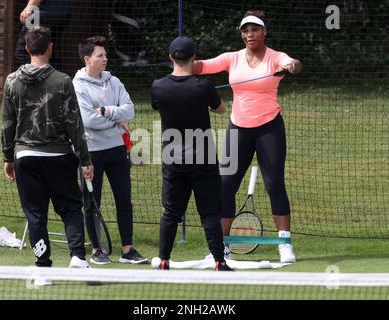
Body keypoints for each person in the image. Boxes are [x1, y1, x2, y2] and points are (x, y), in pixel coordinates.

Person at [193, 10, 302, 263]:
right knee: (225, 185)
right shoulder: (233, 58)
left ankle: (285, 243)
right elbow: (203, 66)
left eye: (254, 29)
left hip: (269, 127)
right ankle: (221, 248)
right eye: (245, 30)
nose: (249, 34)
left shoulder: (276, 57)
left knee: (274, 183)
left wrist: (291, 66)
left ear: (264, 32)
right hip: (238, 128)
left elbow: (295, 64)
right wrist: (183, 63)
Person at [1, 27, 94, 274]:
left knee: (35, 214)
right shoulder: (62, 81)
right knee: (71, 208)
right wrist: (85, 159)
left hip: (25, 157)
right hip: (59, 156)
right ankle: (77, 257)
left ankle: (42, 268)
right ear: (51, 47)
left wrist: (8, 157)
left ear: (27, 49)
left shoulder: (11, 81)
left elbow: (7, 123)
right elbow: (75, 124)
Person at [151, 36, 233, 271]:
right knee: (209, 213)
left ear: (170, 57)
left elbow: (159, 105)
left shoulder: (158, 86)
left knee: (171, 212)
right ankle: (219, 261)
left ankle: (164, 260)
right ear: (194, 57)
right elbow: (221, 109)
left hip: (173, 160)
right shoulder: (203, 86)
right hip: (203, 159)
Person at [73, 35, 148, 265]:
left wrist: (105, 111)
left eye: (105, 55)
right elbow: (88, 120)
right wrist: (116, 118)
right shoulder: (77, 85)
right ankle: (97, 249)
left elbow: (130, 111)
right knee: (91, 202)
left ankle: (128, 250)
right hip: (91, 153)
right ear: (88, 59)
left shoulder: (114, 82)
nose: (105, 58)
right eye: (100, 55)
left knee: (124, 200)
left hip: (117, 150)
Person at [16, 0, 75, 69]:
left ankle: (38, 75)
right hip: (62, 12)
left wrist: (30, 7)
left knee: (22, 52)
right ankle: (52, 76)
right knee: (51, 51)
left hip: (44, 13)